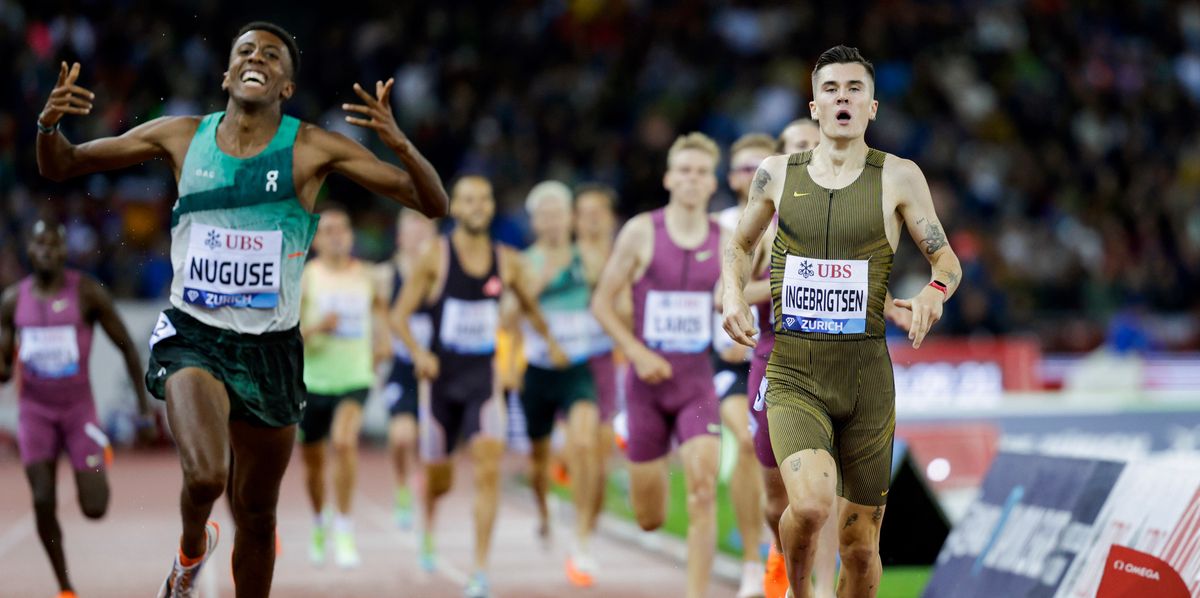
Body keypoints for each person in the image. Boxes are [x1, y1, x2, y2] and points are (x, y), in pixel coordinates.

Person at [35, 21, 448, 597]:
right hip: (193, 334)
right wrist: (48, 123)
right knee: (206, 474)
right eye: (245, 51)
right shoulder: (182, 136)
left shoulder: (310, 148)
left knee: (257, 514)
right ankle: (189, 556)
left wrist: (399, 144)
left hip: (271, 350)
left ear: (285, 86)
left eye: (272, 55)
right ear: (227, 74)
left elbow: (433, 203)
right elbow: (63, 165)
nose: (258, 58)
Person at [722, 46, 962, 598]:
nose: (843, 98)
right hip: (795, 373)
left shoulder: (899, 177)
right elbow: (738, 244)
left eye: (854, 89)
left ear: (872, 106)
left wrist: (932, 293)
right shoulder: (776, 173)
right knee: (807, 506)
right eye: (831, 89)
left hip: (866, 381)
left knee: (859, 544)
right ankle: (799, 591)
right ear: (815, 105)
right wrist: (734, 294)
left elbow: (945, 261)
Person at [392, 175, 566, 598]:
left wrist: (550, 343)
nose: (476, 206)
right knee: (441, 481)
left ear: (490, 208)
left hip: (482, 380)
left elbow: (528, 306)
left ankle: (480, 569)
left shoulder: (505, 260)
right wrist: (420, 353)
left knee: (488, 466)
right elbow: (399, 316)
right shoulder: (436, 256)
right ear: (457, 207)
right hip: (440, 381)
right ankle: (428, 522)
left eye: (483, 199)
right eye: (467, 199)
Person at [591, 132, 726, 598]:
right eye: (684, 170)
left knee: (704, 489)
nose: (691, 179)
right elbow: (602, 303)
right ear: (669, 178)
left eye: (701, 172)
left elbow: (742, 294)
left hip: (697, 385)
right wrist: (636, 351)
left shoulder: (726, 240)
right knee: (649, 519)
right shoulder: (641, 231)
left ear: (713, 183)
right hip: (645, 388)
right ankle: (642, 456)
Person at [0, 219, 157, 598]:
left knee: (94, 508)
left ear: (64, 250)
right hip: (35, 413)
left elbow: (125, 346)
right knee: (41, 498)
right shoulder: (12, 301)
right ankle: (65, 585)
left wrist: (142, 407)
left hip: (78, 412)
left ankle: (95, 453)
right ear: (30, 249)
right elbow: (4, 371)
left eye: (54, 245)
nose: (47, 253)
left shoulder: (86, 292)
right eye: (40, 246)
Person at [502, 181, 605, 587]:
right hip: (538, 372)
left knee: (583, 444)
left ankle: (581, 539)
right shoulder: (523, 263)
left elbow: (610, 296)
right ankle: (544, 510)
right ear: (534, 222)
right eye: (542, 215)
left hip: (577, 368)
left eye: (557, 213)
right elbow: (507, 316)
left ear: (569, 217)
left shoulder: (588, 257)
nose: (551, 221)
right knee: (539, 461)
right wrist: (537, 285)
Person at [297, 204, 390, 568]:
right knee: (314, 465)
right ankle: (320, 521)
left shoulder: (367, 276)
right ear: (317, 239)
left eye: (343, 230)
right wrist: (319, 327)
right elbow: (287, 335)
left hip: (355, 377)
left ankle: (346, 527)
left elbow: (381, 318)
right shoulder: (306, 278)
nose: (338, 237)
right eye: (330, 231)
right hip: (314, 382)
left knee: (344, 441)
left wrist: (383, 345)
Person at [713, 133, 778, 598]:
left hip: (774, 350)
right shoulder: (717, 228)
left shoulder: (788, 218)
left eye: (757, 165)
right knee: (744, 438)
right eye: (739, 167)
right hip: (726, 358)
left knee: (777, 461)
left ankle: (780, 550)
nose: (747, 174)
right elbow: (709, 294)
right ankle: (752, 562)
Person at [376, 208, 438, 530]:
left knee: (432, 448)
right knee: (402, 438)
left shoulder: (440, 271)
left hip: (435, 368)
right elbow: (379, 314)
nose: (419, 232)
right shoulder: (387, 275)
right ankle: (402, 485)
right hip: (402, 366)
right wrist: (382, 343)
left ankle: (428, 516)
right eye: (413, 227)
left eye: (425, 226)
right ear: (401, 236)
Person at [573, 184, 624, 537]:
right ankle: (580, 528)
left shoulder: (623, 256)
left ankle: (590, 520)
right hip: (572, 362)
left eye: (598, 212)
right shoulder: (565, 256)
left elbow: (630, 312)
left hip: (609, 360)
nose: (592, 220)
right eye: (585, 213)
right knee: (580, 446)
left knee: (601, 453)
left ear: (610, 219)